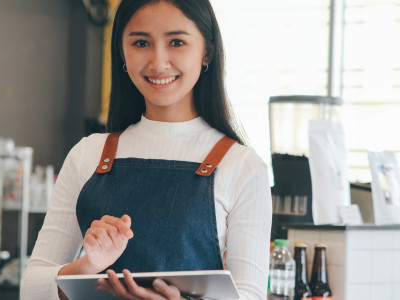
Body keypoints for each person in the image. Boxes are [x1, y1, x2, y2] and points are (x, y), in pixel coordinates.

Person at [20, 0, 272, 299]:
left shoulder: (242, 166)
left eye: (176, 42)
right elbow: (31, 288)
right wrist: (89, 265)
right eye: (141, 43)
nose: (158, 62)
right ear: (122, 53)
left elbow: (251, 294)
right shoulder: (87, 154)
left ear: (207, 52)